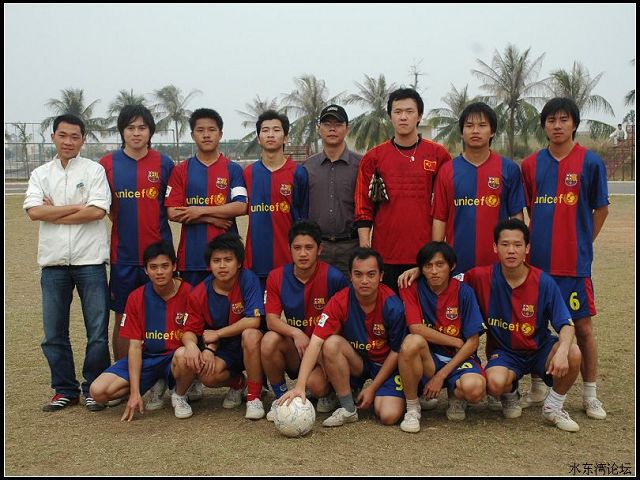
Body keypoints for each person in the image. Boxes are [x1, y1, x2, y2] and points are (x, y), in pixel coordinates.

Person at [521, 97, 609, 420]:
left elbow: (601, 209)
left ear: (574, 124)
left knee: (582, 328)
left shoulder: (590, 162)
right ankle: (537, 387)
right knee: (533, 326)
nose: (557, 126)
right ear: (544, 126)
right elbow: (526, 210)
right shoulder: (530, 165)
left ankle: (590, 394)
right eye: (551, 120)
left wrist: (583, 242)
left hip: (574, 266)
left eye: (563, 120)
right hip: (538, 265)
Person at [24, 114, 112, 412]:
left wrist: (56, 212)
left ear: (83, 139)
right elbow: (34, 212)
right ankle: (64, 389)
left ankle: (94, 388)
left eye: (75, 136)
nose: (68, 142)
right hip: (53, 264)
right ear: (53, 137)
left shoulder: (94, 170)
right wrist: (77, 207)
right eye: (63, 135)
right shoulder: (41, 174)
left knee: (97, 332)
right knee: (53, 334)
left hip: (90, 262)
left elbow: (97, 212)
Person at [464, 218, 583, 432]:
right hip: (505, 353)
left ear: (527, 248)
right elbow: (445, 279)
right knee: (494, 384)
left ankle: (553, 407)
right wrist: (418, 271)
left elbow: (566, 324)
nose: (511, 250)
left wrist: (562, 350)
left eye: (517, 245)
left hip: (540, 350)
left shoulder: (543, 282)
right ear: (495, 247)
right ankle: (510, 393)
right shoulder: (480, 277)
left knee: (573, 352)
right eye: (505, 244)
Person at [279, 248, 407, 428]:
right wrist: (299, 386)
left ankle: (379, 392)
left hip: (384, 365)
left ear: (381, 276)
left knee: (388, 416)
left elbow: (396, 351)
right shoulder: (340, 300)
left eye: (371, 274)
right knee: (326, 356)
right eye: (358, 274)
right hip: (356, 362)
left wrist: (372, 388)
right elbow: (315, 342)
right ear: (351, 276)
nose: (364, 281)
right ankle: (348, 408)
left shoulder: (393, 306)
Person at [354, 88, 451, 293]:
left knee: (422, 310)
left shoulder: (438, 155)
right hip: (385, 254)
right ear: (390, 116)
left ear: (419, 116)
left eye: (409, 111)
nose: (403, 117)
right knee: (389, 309)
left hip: (425, 256)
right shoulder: (373, 158)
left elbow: (445, 207)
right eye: (397, 112)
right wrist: (365, 247)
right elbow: (363, 205)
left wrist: (436, 252)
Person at [100, 105, 174, 361]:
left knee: (162, 314)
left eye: (142, 127)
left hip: (159, 256)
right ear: (122, 131)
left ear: (150, 131)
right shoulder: (107, 164)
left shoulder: (164, 163)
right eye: (130, 128)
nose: (136, 133)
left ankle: (159, 374)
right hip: (124, 257)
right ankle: (122, 374)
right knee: (123, 317)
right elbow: (106, 208)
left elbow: (171, 207)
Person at [89, 241, 191, 421]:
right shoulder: (136, 297)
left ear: (174, 266)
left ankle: (180, 395)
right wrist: (135, 393)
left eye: (165, 266)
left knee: (184, 355)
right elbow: (135, 346)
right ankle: (155, 382)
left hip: (174, 358)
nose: (159, 272)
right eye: (153, 267)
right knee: (98, 391)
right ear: (146, 270)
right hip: (148, 358)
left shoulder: (190, 292)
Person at [261, 220, 349, 420]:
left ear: (320, 249)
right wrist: (296, 332)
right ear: (289, 249)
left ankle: (329, 392)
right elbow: (271, 320)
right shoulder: (276, 277)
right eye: (297, 248)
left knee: (315, 386)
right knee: (269, 340)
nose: (303, 253)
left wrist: (320, 348)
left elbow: (344, 323)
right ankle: (281, 397)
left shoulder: (334, 277)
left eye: (309, 248)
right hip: (297, 348)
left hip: (322, 351)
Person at [171, 233, 266, 419]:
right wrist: (191, 345)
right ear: (209, 264)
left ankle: (254, 397)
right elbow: (190, 330)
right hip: (222, 350)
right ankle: (238, 383)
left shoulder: (249, 279)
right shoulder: (200, 292)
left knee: (251, 334)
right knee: (205, 373)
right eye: (216, 261)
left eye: (228, 260)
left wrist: (218, 333)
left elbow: (253, 320)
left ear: (239, 263)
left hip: (248, 346)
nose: (222, 266)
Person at [397, 242, 486, 432]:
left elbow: (473, 342)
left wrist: (441, 376)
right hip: (429, 358)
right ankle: (412, 409)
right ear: (421, 269)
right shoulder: (411, 287)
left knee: (475, 390)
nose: (434, 271)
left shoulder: (464, 292)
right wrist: (454, 341)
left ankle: (456, 395)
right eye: (428, 266)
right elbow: (415, 328)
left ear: (452, 266)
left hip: (458, 359)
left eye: (440, 265)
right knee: (411, 342)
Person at [431, 102, 525, 275]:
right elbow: (439, 218)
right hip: (457, 264)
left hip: (498, 265)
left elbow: (516, 217)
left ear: (492, 131)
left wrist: (517, 255)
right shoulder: (447, 170)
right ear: (461, 132)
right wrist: (436, 258)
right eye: (469, 126)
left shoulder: (508, 169)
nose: (475, 131)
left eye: (482, 125)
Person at [166, 108, 247, 287]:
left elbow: (241, 206)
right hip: (191, 258)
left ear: (220, 134)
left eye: (211, 130)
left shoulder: (233, 169)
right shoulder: (180, 170)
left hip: (227, 258)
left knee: (228, 304)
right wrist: (211, 218)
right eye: (200, 130)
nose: (206, 135)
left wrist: (200, 211)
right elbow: (172, 212)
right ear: (192, 135)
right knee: (193, 304)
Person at [243, 110, 309, 293]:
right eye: (265, 130)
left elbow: (303, 217)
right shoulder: (248, 173)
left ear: (285, 137)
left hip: (289, 262)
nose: (270, 134)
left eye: (276, 130)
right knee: (258, 311)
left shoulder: (298, 173)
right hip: (255, 262)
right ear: (258, 138)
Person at [304, 104, 362, 277]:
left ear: (347, 128)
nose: (332, 129)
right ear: (319, 128)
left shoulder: (361, 165)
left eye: (338, 124)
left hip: (351, 246)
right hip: (318, 247)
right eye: (327, 124)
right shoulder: (307, 167)